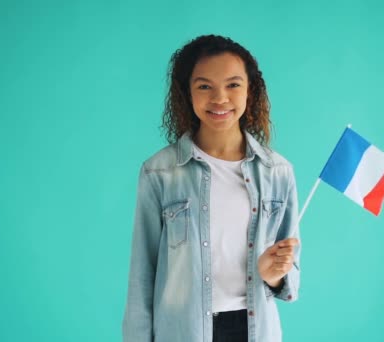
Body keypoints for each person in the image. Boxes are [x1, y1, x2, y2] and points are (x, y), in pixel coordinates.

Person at [123, 34, 301, 342]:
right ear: (187, 93)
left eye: (233, 85)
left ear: (250, 90)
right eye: (205, 86)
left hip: (255, 330)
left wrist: (274, 276)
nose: (220, 98)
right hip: (182, 331)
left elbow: (290, 278)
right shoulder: (160, 172)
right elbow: (142, 275)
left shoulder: (278, 172)